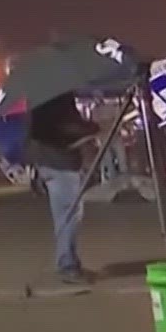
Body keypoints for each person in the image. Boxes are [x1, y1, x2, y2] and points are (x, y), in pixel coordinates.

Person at [27, 92, 99, 283]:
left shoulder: (40, 98)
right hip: (59, 163)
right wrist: (91, 127)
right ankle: (67, 265)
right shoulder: (57, 97)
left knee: (66, 215)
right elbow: (65, 128)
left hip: (49, 161)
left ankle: (69, 261)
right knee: (68, 215)